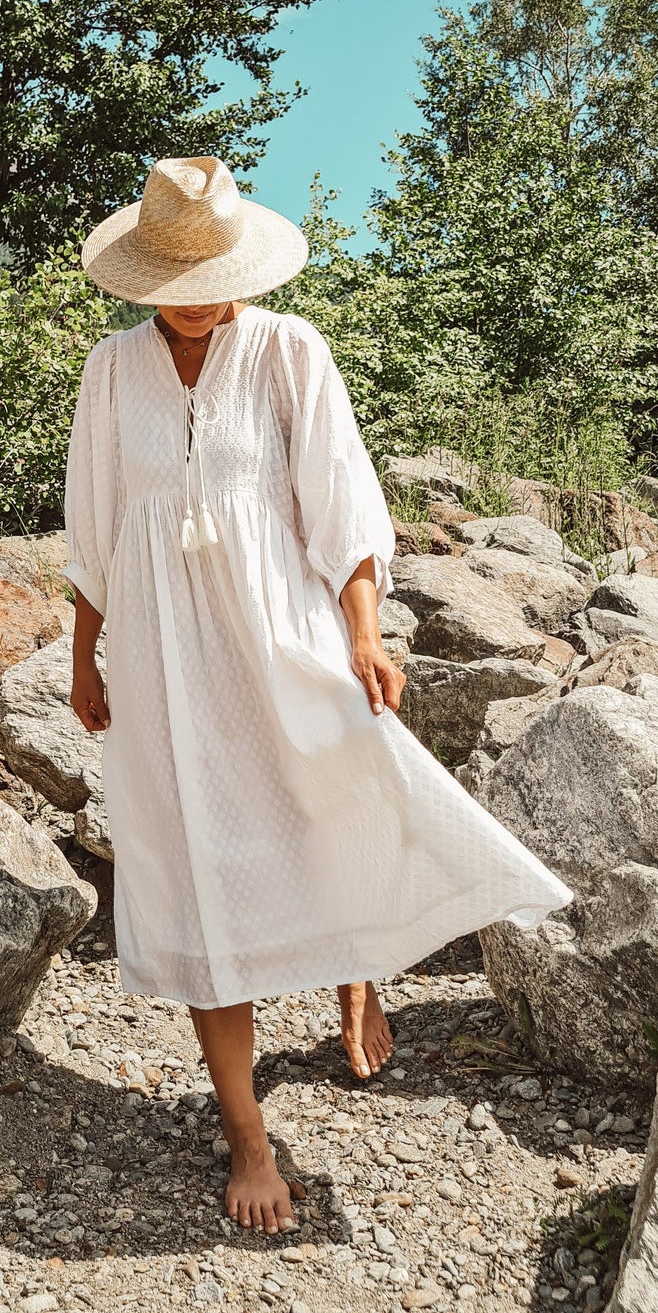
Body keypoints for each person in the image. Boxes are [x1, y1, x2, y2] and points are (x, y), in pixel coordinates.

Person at [64, 157, 573, 1235]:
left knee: (335, 792)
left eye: (215, 274)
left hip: (280, 628)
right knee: (199, 859)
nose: (201, 297)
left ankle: (353, 967)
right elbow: (95, 527)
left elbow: (341, 506)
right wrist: (83, 657)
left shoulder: (290, 351)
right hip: (162, 651)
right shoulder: (110, 374)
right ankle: (246, 1132)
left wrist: (362, 636)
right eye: (178, 278)